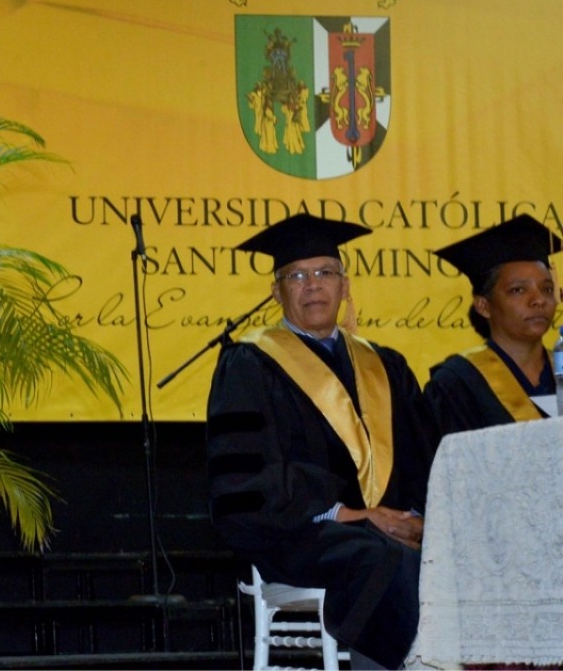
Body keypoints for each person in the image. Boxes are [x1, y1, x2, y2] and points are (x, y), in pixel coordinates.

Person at [205, 213, 439, 669]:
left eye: (325, 273)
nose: (313, 285)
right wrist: (350, 513)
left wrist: (416, 518)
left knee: (448, 553)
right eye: (297, 276)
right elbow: (247, 486)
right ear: (277, 292)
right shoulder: (250, 365)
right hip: (297, 533)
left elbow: (423, 457)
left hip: (388, 529)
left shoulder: (386, 366)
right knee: (379, 559)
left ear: (345, 285)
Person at [425, 215, 562, 435]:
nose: (539, 300)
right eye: (518, 290)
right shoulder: (458, 384)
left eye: (546, 289)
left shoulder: (559, 370)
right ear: (483, 306)